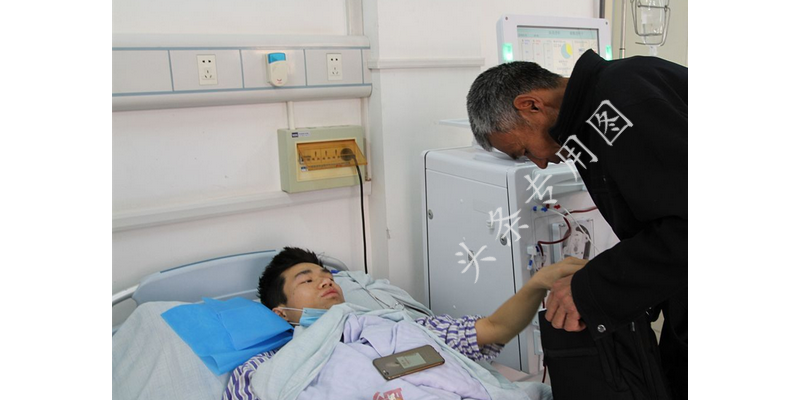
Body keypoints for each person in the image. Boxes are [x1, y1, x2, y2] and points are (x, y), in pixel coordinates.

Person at [466, 50, 687, 400]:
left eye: (526, 150)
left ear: (531, 105)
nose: (540, 164)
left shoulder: (622, 101)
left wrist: (594, 286)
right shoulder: (597, 114)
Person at [223, 246, 586, 400]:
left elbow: (495, 329)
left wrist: (537, 284)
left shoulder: (401, 326)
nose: (325, 281)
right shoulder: (267, 367)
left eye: (327, 275)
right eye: (307, 280)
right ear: (281, 312)